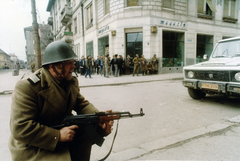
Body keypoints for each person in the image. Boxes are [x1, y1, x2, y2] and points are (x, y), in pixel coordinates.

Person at [9, 41, 113, 161]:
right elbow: (20, 127)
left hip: (65, 133)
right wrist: (57, 136)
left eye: (72, 62)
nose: (73, 66)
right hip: (35, 145)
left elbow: (81, 103)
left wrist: (99, 117)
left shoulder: (69, 82)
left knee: (89, 129)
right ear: (52, 66)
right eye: (68, 63)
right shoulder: (28, 87)